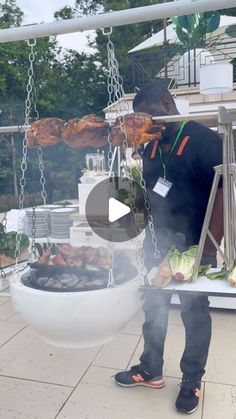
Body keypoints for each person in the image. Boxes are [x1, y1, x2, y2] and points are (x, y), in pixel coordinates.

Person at [114, 81, 223, 415]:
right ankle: (151, 370)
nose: (145, 123)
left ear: (166, 102)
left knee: (194, 314)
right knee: (153, 307)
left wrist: (209, 246)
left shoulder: (205, 139)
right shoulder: (149, 144)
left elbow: (224, 192)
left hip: (194, 245)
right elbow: (146, 191)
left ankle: (192, 379)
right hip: (156, 241)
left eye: (148, 115)